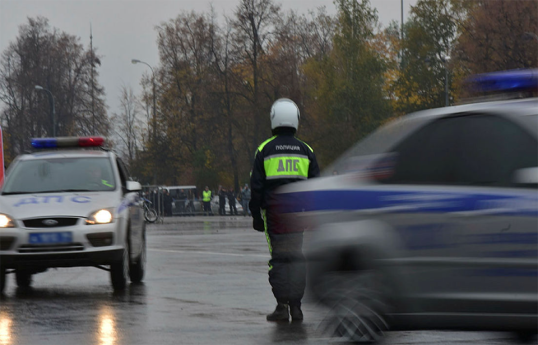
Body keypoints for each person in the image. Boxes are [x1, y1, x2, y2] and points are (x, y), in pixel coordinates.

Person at [250, 98, 319, 322]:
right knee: (296, 257)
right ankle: (297, 307)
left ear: (274, 119)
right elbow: (315, 186)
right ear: (296, 120)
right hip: (297, 213)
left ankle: (282, 307)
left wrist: (255, 216)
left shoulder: (264, 149)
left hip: (275, 213)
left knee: (279, 259)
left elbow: (256, 187)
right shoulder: (306, 150)